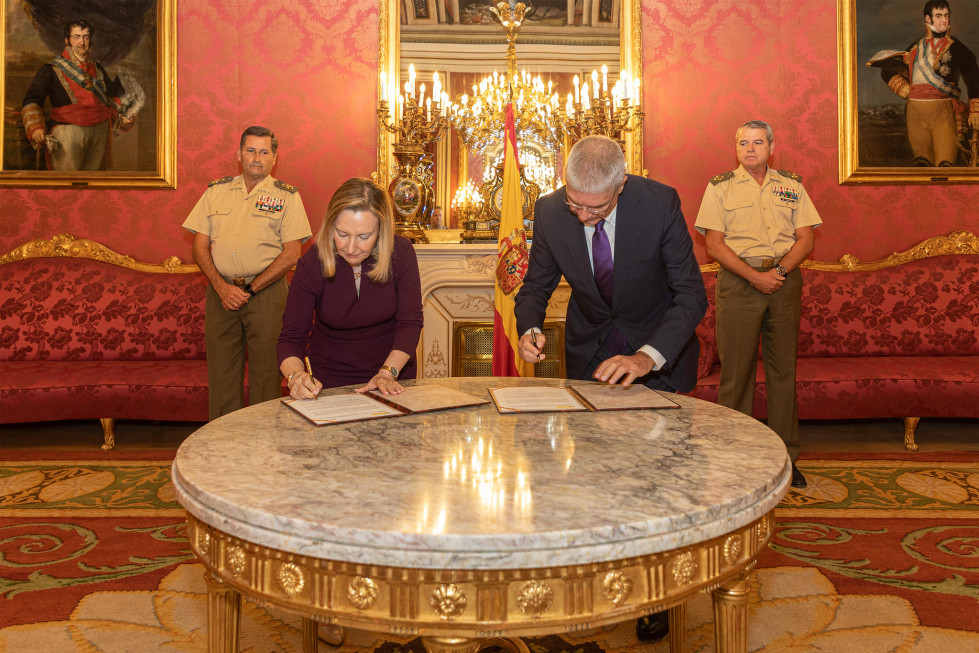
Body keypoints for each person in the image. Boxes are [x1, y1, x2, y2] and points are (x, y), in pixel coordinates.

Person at [514, 135, 706, 642]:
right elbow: (535, 285)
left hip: (657, 353)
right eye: (574, 202)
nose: (581, 216)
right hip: (592, 353)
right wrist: (529, 326)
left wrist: (647, 357)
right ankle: (594, 580)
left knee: (656, 486)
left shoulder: (659, 203)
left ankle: (657, 593)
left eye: (594, 207)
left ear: (621, 185)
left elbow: (690, 295)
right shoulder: (552, 209)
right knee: (592, 480)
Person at [694, 120, 822, 490]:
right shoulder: (719, 188)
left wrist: (777, 272)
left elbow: (806, 238)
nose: (750, 149)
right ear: (736, 148)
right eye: (743, 143)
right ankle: (735, 459)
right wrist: (754, 277)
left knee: (783, 374)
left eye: (758, 142)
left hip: (783, 282)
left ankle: (785, 459)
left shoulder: (792, 185)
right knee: (737, 375)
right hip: (739, 282)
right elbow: (714, 245)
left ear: (772, 145)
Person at [183, 126, 312, 420]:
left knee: (267, 371)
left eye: (264, 152)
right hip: (221, 293)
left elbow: (292, 253)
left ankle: (262, 439)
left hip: (267, 293)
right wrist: (220, 286)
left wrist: (251, 289)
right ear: (238, 154)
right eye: (250, 150)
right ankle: (223, 441)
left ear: (274, 158)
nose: (257, 157)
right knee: (221, 371)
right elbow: (199, 247)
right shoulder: (215, 192)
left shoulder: (287, 197)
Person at [278, 177, 424, 399]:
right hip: (329, 384)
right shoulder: (312, 262)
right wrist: (296, 376)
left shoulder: (401, 253)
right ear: (330, 226)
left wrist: (387, 373)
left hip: (391, 377)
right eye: (342, 234)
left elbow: (410, 323)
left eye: (364, 237)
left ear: (381, 232)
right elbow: (291, 337)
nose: (351, 247)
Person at [870, 0, 979, 166]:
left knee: (945, 166)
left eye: (946, 16)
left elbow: (974, 79)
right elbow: (887, 69)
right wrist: (902, 86)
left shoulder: (958, 49)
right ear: (928, 19)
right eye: (939, 16)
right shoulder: (915, 48)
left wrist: (975, 111)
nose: (944, 20)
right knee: (922, 165)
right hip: (916, 115)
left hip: (944, 114)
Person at [21, 19, 140, 171]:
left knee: (93, 185)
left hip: (100, 132)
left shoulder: (97, 69)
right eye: (76, 37)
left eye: (86, 37)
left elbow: (112, 100)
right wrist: (36, 127)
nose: (82, 42)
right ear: (67, 40)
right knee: (67, 185)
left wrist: (124, 115)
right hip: (68, 134)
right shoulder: (50, 69)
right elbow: (32, 100)